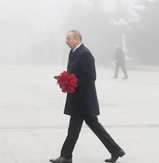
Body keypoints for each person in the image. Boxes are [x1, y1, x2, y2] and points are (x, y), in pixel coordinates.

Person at [50, 30, 125, 163]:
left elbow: (91, 76)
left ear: (77, 38)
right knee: (93, 126)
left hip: (83, 99)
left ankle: (66, 156)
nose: (66, 41)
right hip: (78, 97)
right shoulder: (73, 52)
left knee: (74, 128)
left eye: (68, 38)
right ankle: (115, 150)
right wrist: (66, 80)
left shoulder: (85, 54)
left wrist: (73, 83)